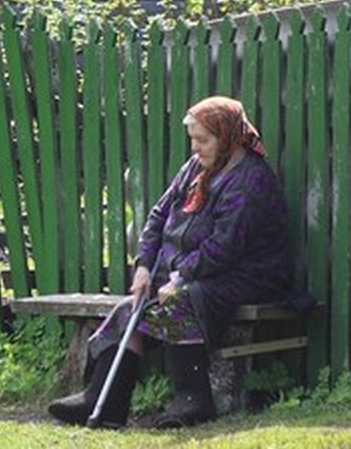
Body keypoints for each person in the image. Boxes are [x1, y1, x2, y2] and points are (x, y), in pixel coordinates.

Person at [48, 96, 292, 429]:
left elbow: (225, 246)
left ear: (227, 137)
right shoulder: (195, 168)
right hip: (193, 271)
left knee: (180, 303)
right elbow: (158, 216)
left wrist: (179, 277)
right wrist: (145, 266)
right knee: (131, 308)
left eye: (203, 140)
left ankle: (193, 400)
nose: (195, 147)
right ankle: (103, 401)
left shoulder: (251, 179)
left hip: (249, 274)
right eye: (193, 139)